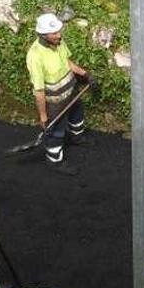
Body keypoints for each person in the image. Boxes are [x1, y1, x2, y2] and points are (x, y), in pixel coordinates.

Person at [26, 12, 94, 176]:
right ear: (43, 35)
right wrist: (43, 115)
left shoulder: (58, 43)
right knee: (55, 132)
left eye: (59, 31)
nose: (59, 35)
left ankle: (77, 137)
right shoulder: (35, 56)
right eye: (54, 33)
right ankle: (55, 160)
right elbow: (39, 91)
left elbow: (67, 62)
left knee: (77, 117)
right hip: (54, 103)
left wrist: (84, 74)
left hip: (72, 92)